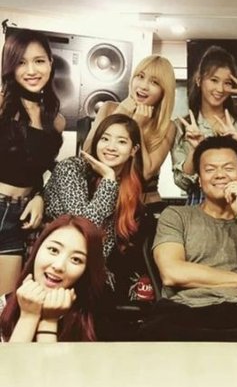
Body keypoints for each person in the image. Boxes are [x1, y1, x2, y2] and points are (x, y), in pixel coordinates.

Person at [140, 136, 237, 341]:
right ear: (199, 179)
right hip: (182, 311)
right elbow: (172, 272)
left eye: (228, 168)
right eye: (210, 169)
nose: (220, 175)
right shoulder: (176, 216)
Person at [44, 113, 145, 301]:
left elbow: (106, 247)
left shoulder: (129, 187)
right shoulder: (71, 168)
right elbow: (84, 228)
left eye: (121, 142)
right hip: (54, 262)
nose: (111, 147)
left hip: (88, 273)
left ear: (134, 150)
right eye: (105, 139)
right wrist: (108, 180)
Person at [0, 28, 65, 295]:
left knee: (5, 305)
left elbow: (40, 171)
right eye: (21, 62)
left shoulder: (56, 121)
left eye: (39, 61)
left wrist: (40, 196)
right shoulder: (1, 106)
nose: (31, 70)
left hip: (20, 217)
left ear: (50, 62)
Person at [171, 45, 237, 202]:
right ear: (199, 80)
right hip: (199, 204)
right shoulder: (183, 126)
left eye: (227, 83)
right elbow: (181, 182)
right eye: (214, 80)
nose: (220, 89)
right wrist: (196, 150)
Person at [0, 214, 105, 342]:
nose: (59, 266)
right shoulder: (2, 306)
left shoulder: (96, 319)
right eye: (53, 250)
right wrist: (28, 317)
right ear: (37, 249)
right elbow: (14, 357)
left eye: (76, 259)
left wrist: (49, 321)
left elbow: (49, 358)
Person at [83, 54, 176, 187]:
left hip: (144, 197)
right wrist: (122, 112)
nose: (143, 86)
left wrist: (137, 127)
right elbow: (87, 157)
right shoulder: (109, 108)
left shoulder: (167, 126)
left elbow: (146, 174)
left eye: (154, 82)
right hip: (103, 193)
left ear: (164, 91)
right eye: (140, 76)